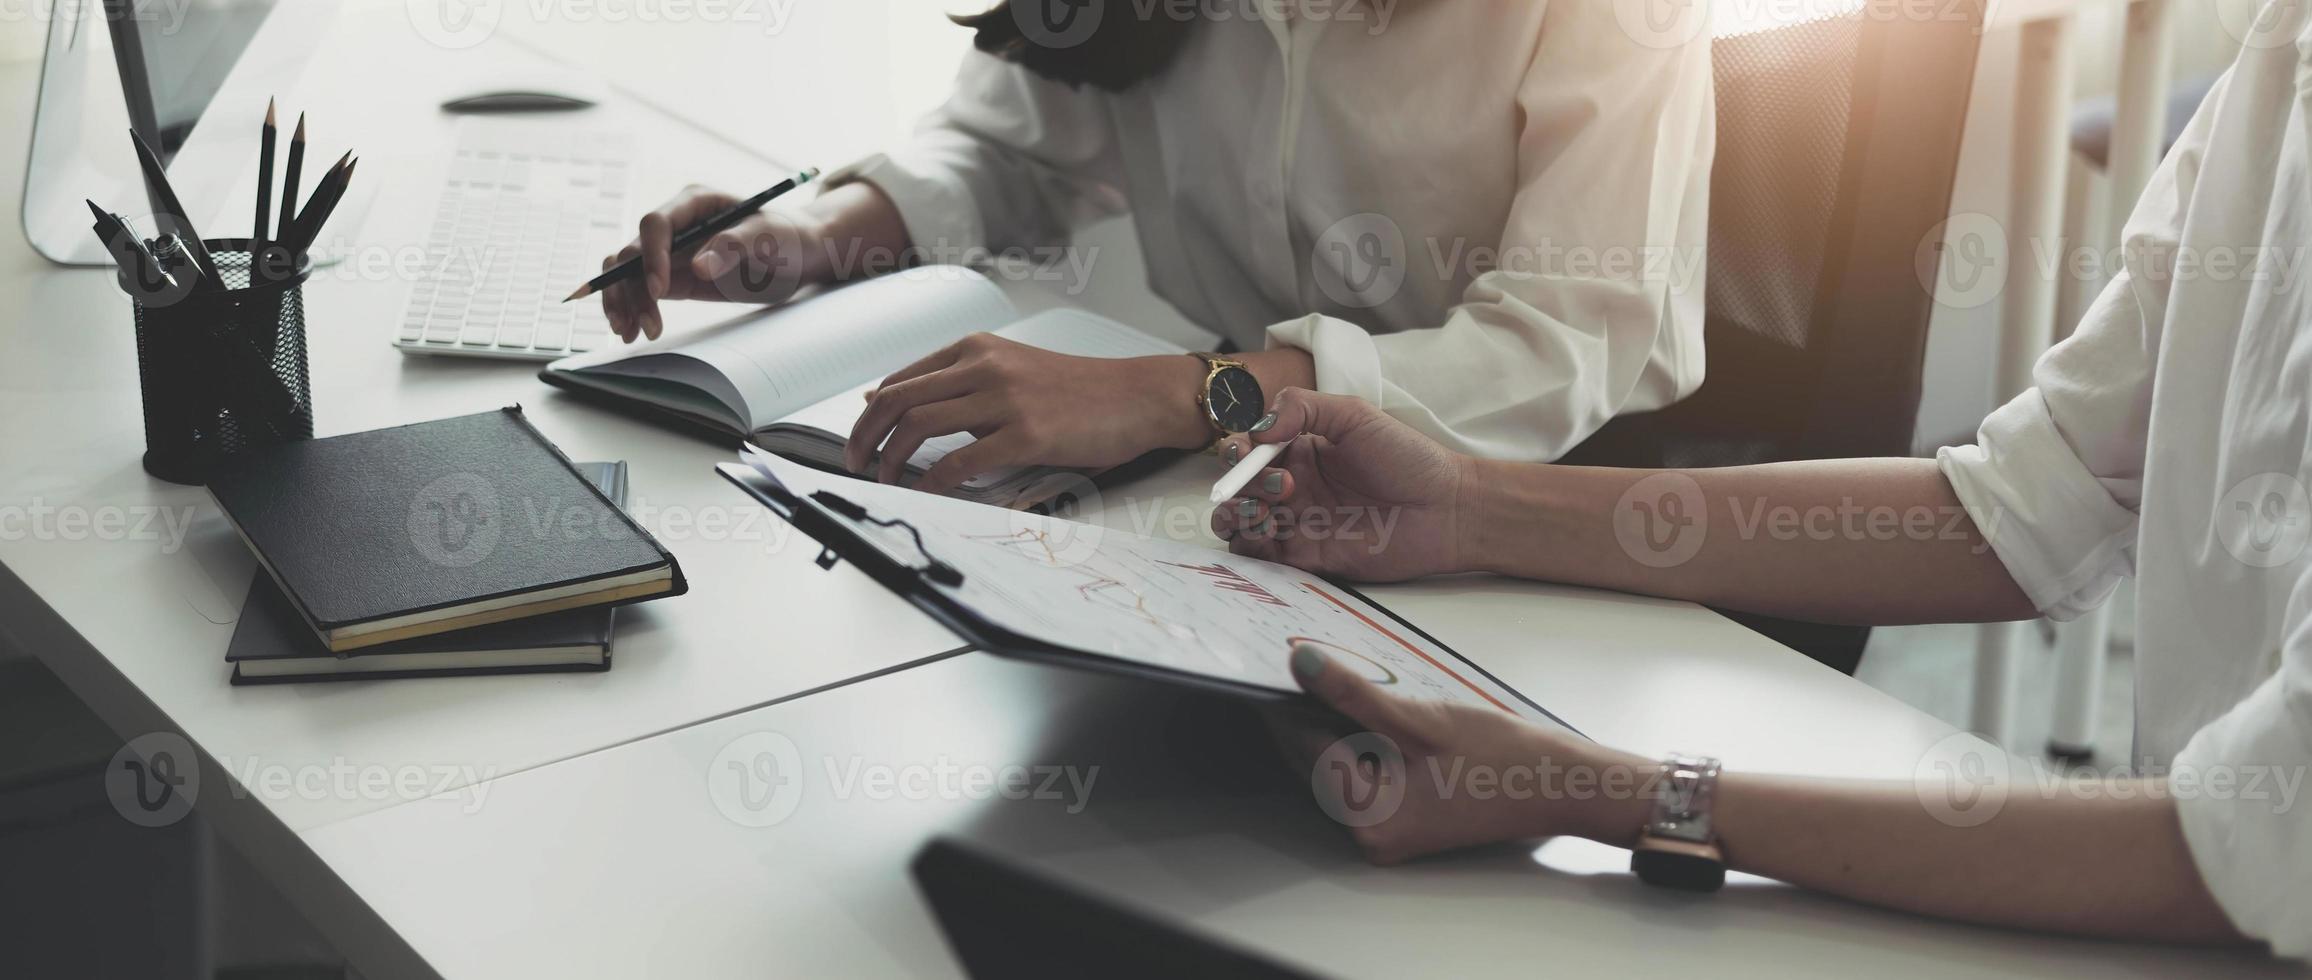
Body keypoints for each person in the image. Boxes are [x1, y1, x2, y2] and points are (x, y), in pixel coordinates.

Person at [1204, 6, 2312, 954]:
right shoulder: (2278, 50)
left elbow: (2251, 844)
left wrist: (1597, 790)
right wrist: (1464, 505)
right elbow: (2020, 507)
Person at [598, 1, 1713, 493]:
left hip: (1541, 503)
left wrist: (1190, 393)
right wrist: (802, 240)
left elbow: (1562, 341)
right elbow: (1010, 147)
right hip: (1246, 483)